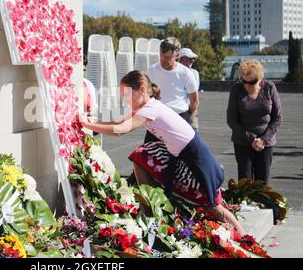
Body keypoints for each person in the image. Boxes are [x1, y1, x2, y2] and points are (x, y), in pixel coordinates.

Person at [80, 70, 245, 235]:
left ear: (142, 90)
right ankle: (149, 211)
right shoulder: (144, 107)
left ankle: (244, 237)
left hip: (196, 158)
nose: (124, 99)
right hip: (180, 156)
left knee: (213, 206)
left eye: (126, 94)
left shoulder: (150, 109)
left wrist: (87, 125)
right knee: (141, 156)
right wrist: (93, 122)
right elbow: (118, 122)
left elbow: (119, 130)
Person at [227, 59, 282, 184]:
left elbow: (277, 117)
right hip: (242, 142)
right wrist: (252, 139)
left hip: (266, 143)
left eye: (251, 82)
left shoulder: (269, 87)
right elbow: (231, 120)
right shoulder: (236, 89)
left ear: (260, 79)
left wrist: (263, 139)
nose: (246, 85)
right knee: (245, 182)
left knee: (262, 183)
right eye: (244, 81)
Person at [179, 47, 200, 130]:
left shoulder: (195, 73)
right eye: (190, 58)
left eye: (193, 58)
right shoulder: (174, 73)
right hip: (178, 110)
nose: (193, 60)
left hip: (191, 108)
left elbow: (193, 92)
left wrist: (192, 109)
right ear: (182, 59)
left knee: (194, 134)